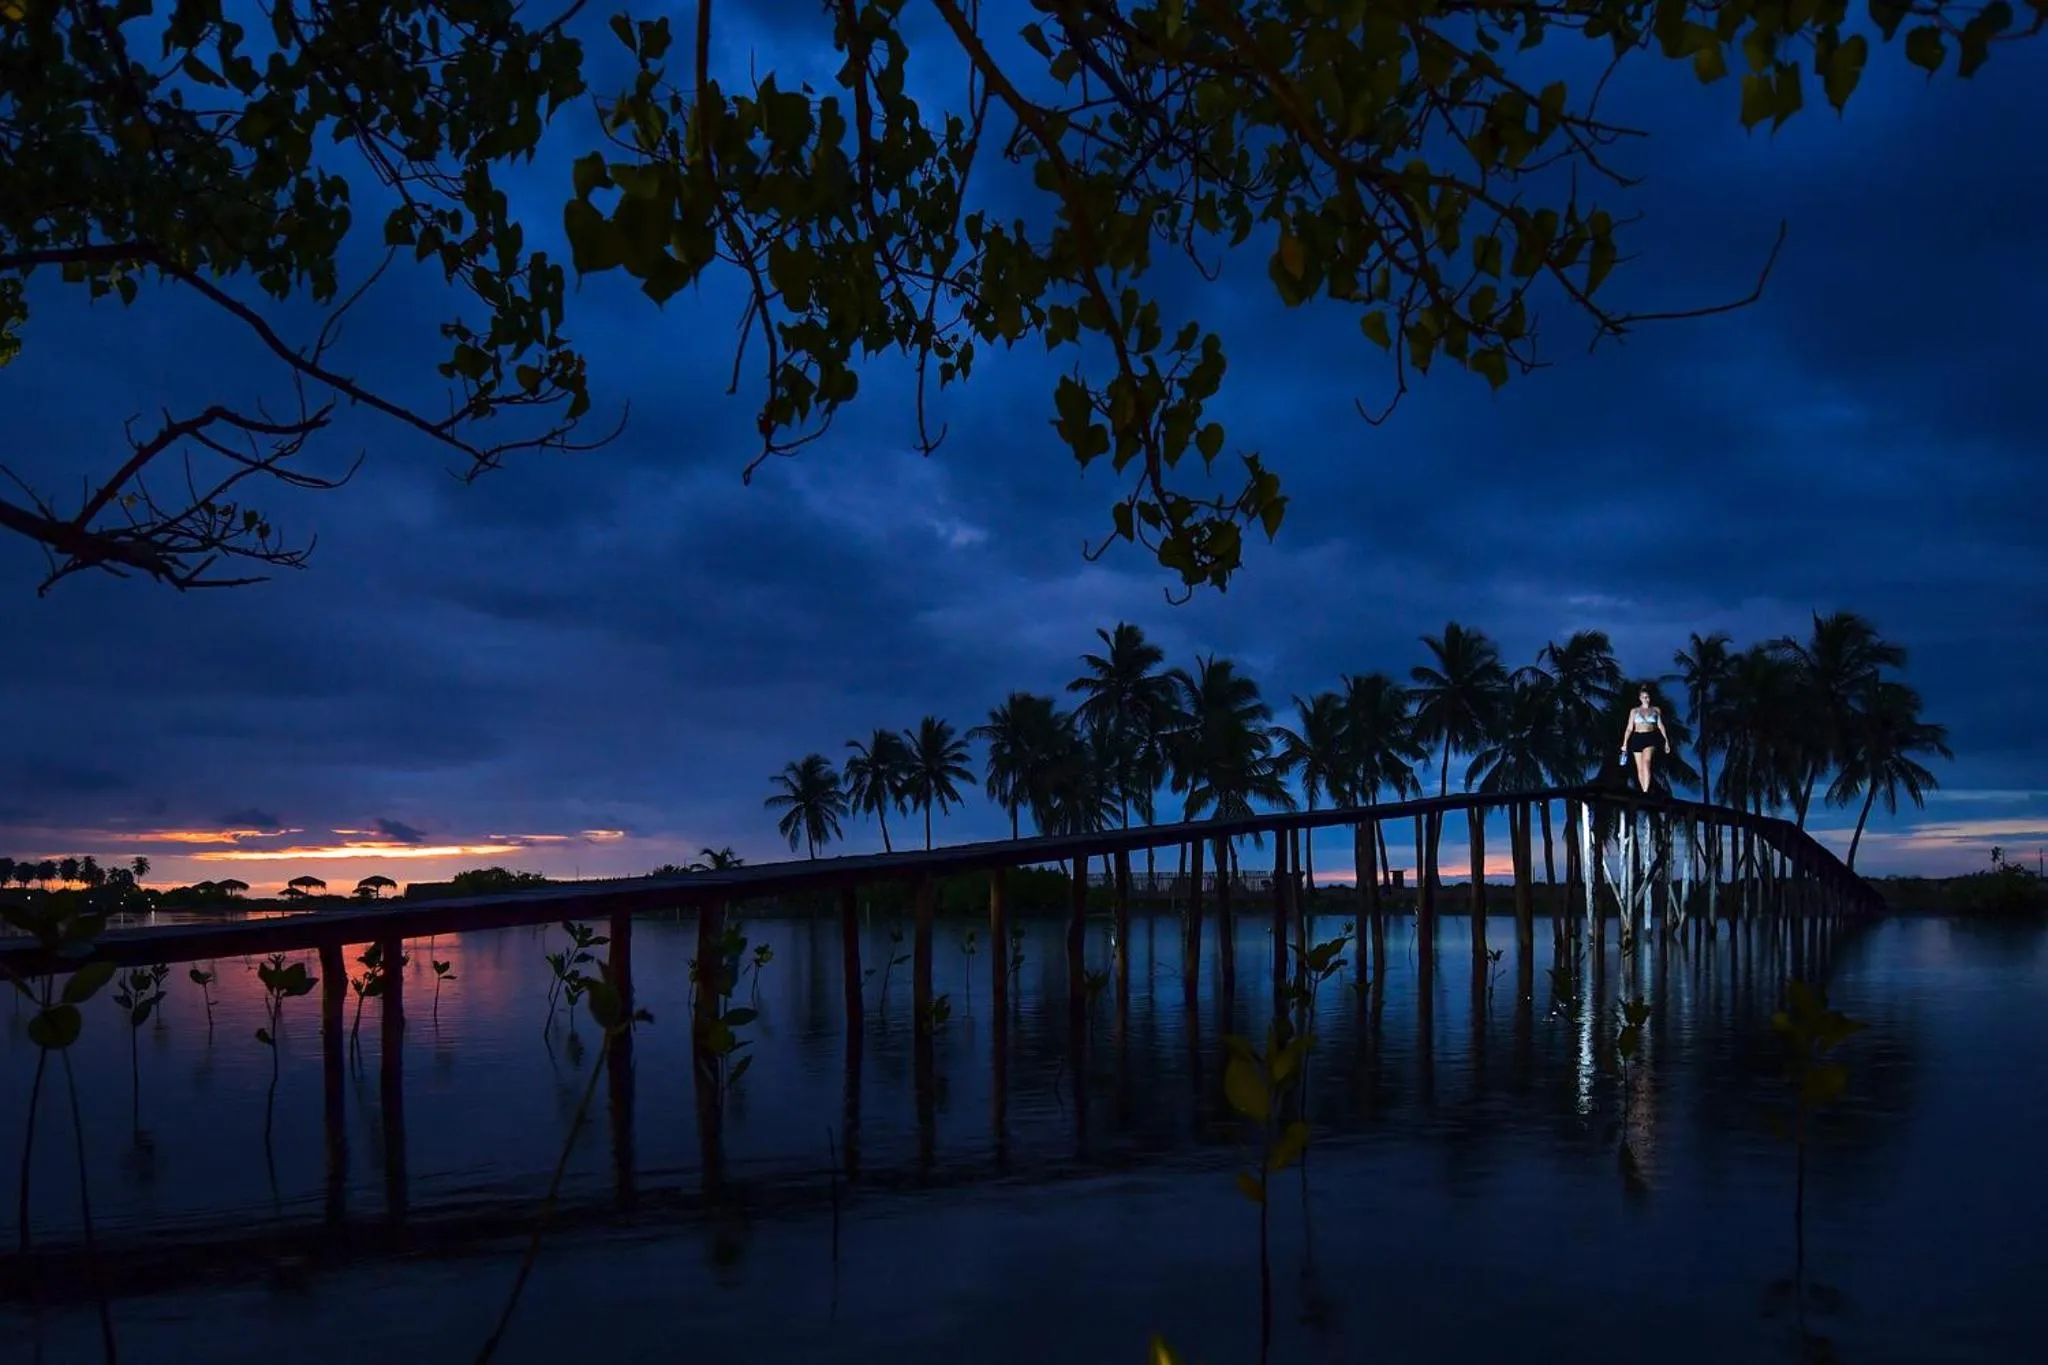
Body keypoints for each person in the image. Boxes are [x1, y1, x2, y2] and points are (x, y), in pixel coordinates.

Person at [1619, 686, 1670, 794]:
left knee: (1646, 762)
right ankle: (1643, 791)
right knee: (1639, 767)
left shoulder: (1656, 710)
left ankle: (1646, 791)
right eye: (1643, 697)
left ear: (1650, 698)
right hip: (1637, 737)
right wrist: (1624, 744)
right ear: (1640, 698)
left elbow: (1661, 725)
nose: (1646, 699)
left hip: (1650, 737)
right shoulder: (1634, 711)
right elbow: (1629, 728)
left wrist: (1666, 741)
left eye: (1647, 697)